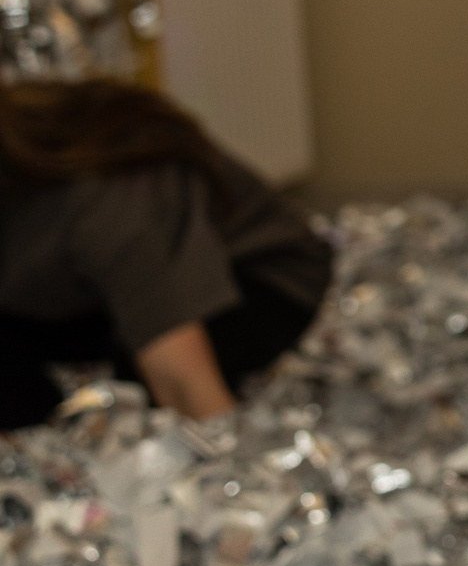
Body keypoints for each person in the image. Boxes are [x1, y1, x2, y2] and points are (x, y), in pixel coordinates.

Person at [0, 80, 331, 423]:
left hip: (260, 276)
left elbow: (185, 388)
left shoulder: (103, 199)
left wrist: (220, 448)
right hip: (82, 285)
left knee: (144, 383)